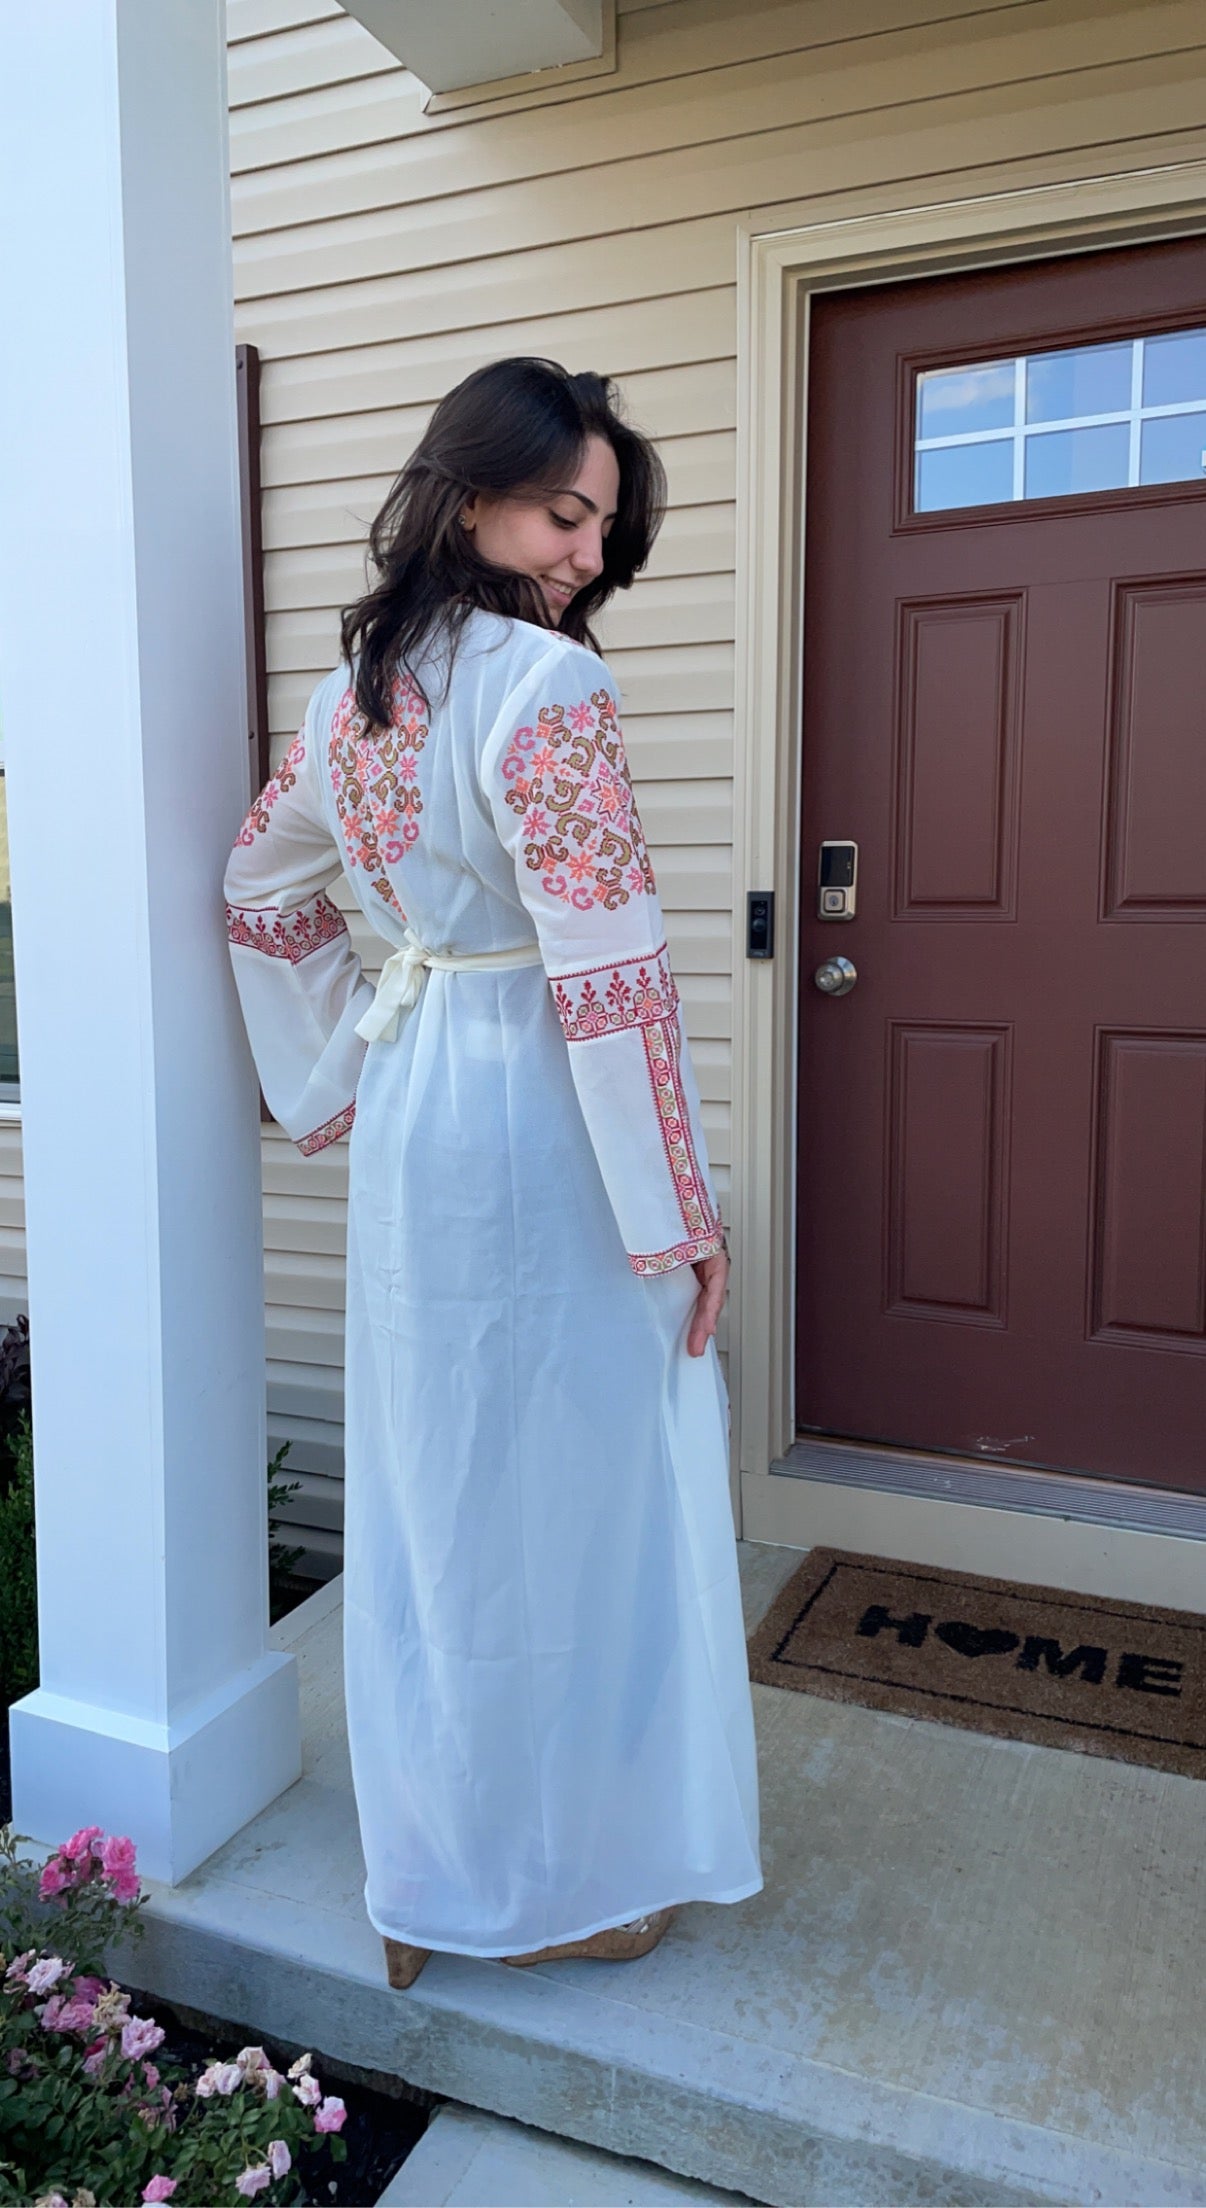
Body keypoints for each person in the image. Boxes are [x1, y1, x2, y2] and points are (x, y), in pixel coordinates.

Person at [224, 357, 761, 1985]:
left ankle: (430, 1872)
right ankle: (561, 1886)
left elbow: (260, 890)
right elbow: (608, 979)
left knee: (436, 1495)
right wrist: (679, 1215)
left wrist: (335, 1071)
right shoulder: (549, 694)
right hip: (543, 1124)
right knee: (577, 1502)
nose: (587, 551)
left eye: (604, 525)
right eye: (564, 511)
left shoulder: (344, 704)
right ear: (472, 498)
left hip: (415, 1118)